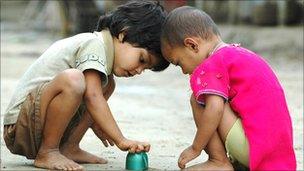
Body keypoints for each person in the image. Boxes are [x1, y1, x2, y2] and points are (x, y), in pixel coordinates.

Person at [3, 1, 169, 170]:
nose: (139, 70)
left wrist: (98, 122)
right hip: (20, 126)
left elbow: (94, 96)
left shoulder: (102, 62)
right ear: (123, 34)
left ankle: (69, 147)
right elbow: (92, 96)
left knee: (107, 84)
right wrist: (121, 139)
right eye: (142, 60)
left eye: (145, 68)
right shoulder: (94, 44)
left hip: (37, 122)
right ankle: (48, 151)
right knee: (75, 80)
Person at [161, 6, 296, 170]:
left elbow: (215, 108)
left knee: (199, 98)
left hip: (253, 149)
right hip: (276, 155)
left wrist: (196, 148)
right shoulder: (239, 54)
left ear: (192, 45)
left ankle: (218, 161)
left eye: (179, 63)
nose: (183, 71)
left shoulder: (213, 63)